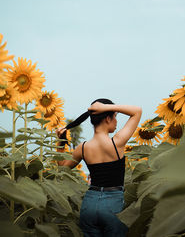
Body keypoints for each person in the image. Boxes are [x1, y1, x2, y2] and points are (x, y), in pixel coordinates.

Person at [56, 98, 142, 237]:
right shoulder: (117, 142)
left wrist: (60, 142)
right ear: (108, 118)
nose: (116, 121)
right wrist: (106, 108)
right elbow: (137, 111)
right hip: (113, 205)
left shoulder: (82, 148)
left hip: (89, 204)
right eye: (115, 116)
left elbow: (62, 168)